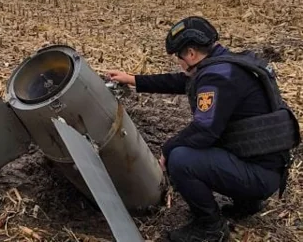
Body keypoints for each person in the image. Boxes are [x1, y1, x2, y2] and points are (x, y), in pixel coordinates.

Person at [106, 16, 300, 242]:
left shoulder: (216, 78)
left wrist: (167, 151)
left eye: (178, 56)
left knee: (181, 159)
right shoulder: (227, 65)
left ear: (190, 53)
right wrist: (133, 79)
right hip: (267, 165)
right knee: (198, 146)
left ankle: (210, 227)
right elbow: (182, 82)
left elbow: (203, 132)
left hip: (260, 176)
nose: (178, 62)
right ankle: (247, 202)